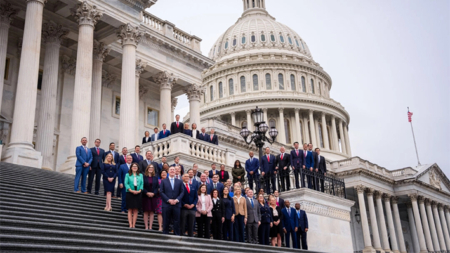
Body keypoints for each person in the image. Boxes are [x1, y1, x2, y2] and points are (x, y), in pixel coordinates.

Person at [160, 166, 184, 235]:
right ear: (168, 171)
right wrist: (168, 200)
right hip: (166, 204)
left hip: (177, 204)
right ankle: (165, 235)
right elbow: (161, 192)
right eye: (171, 170)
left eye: (174, 170)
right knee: (166, 221)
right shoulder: (164, 181)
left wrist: (177, 200)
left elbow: (182, 192)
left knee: (177, 221)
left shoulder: (179, 181)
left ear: (176, 171)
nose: (172, 171)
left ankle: (177, 235)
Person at [124, 163, 143, 228]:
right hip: (130, 193)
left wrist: (139, 190)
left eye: (136, 166)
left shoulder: (140, 175)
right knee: (130, 209)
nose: (135, 167)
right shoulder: (127, 175)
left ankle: (134, 224)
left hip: (138, 193)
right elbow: (126, 183)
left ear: (138, 168)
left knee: (135, 210)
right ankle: (130, 224)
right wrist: (131, 190)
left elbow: (142, 184)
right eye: (133, 166)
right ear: (131, 168)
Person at [142, 164, 159, 230]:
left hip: (153, 196)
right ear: (147, 168)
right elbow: (142, 185)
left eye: (152, 168)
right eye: (150, 167)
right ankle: (146, 226)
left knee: (152, 211)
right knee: (146, 211)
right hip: (145, 196)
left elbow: (157, 187)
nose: (151, 169)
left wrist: (153, 193)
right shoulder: (144, 177)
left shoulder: (155, 177)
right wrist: (147, 192)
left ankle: (150, 227)